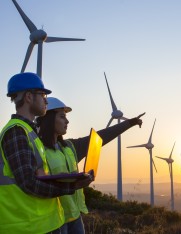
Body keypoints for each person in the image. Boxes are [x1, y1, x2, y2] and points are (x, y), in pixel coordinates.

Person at [0, 72, 93, 234]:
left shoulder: (29, 131)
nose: (46, 100)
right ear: (29, 97)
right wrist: (71, 186)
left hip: (44, 223)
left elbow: (39, 175)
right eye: (42, 94)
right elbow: (29, 182)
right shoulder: (16, 132)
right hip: (28, 226)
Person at [36, 97, 145, 234]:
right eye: (62, 116)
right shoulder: (38, 150)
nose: (67, 121)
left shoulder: (70, 146)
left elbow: (100, 138)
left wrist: (129, 123)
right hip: (55, 220)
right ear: (49, 119)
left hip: (75, 217)